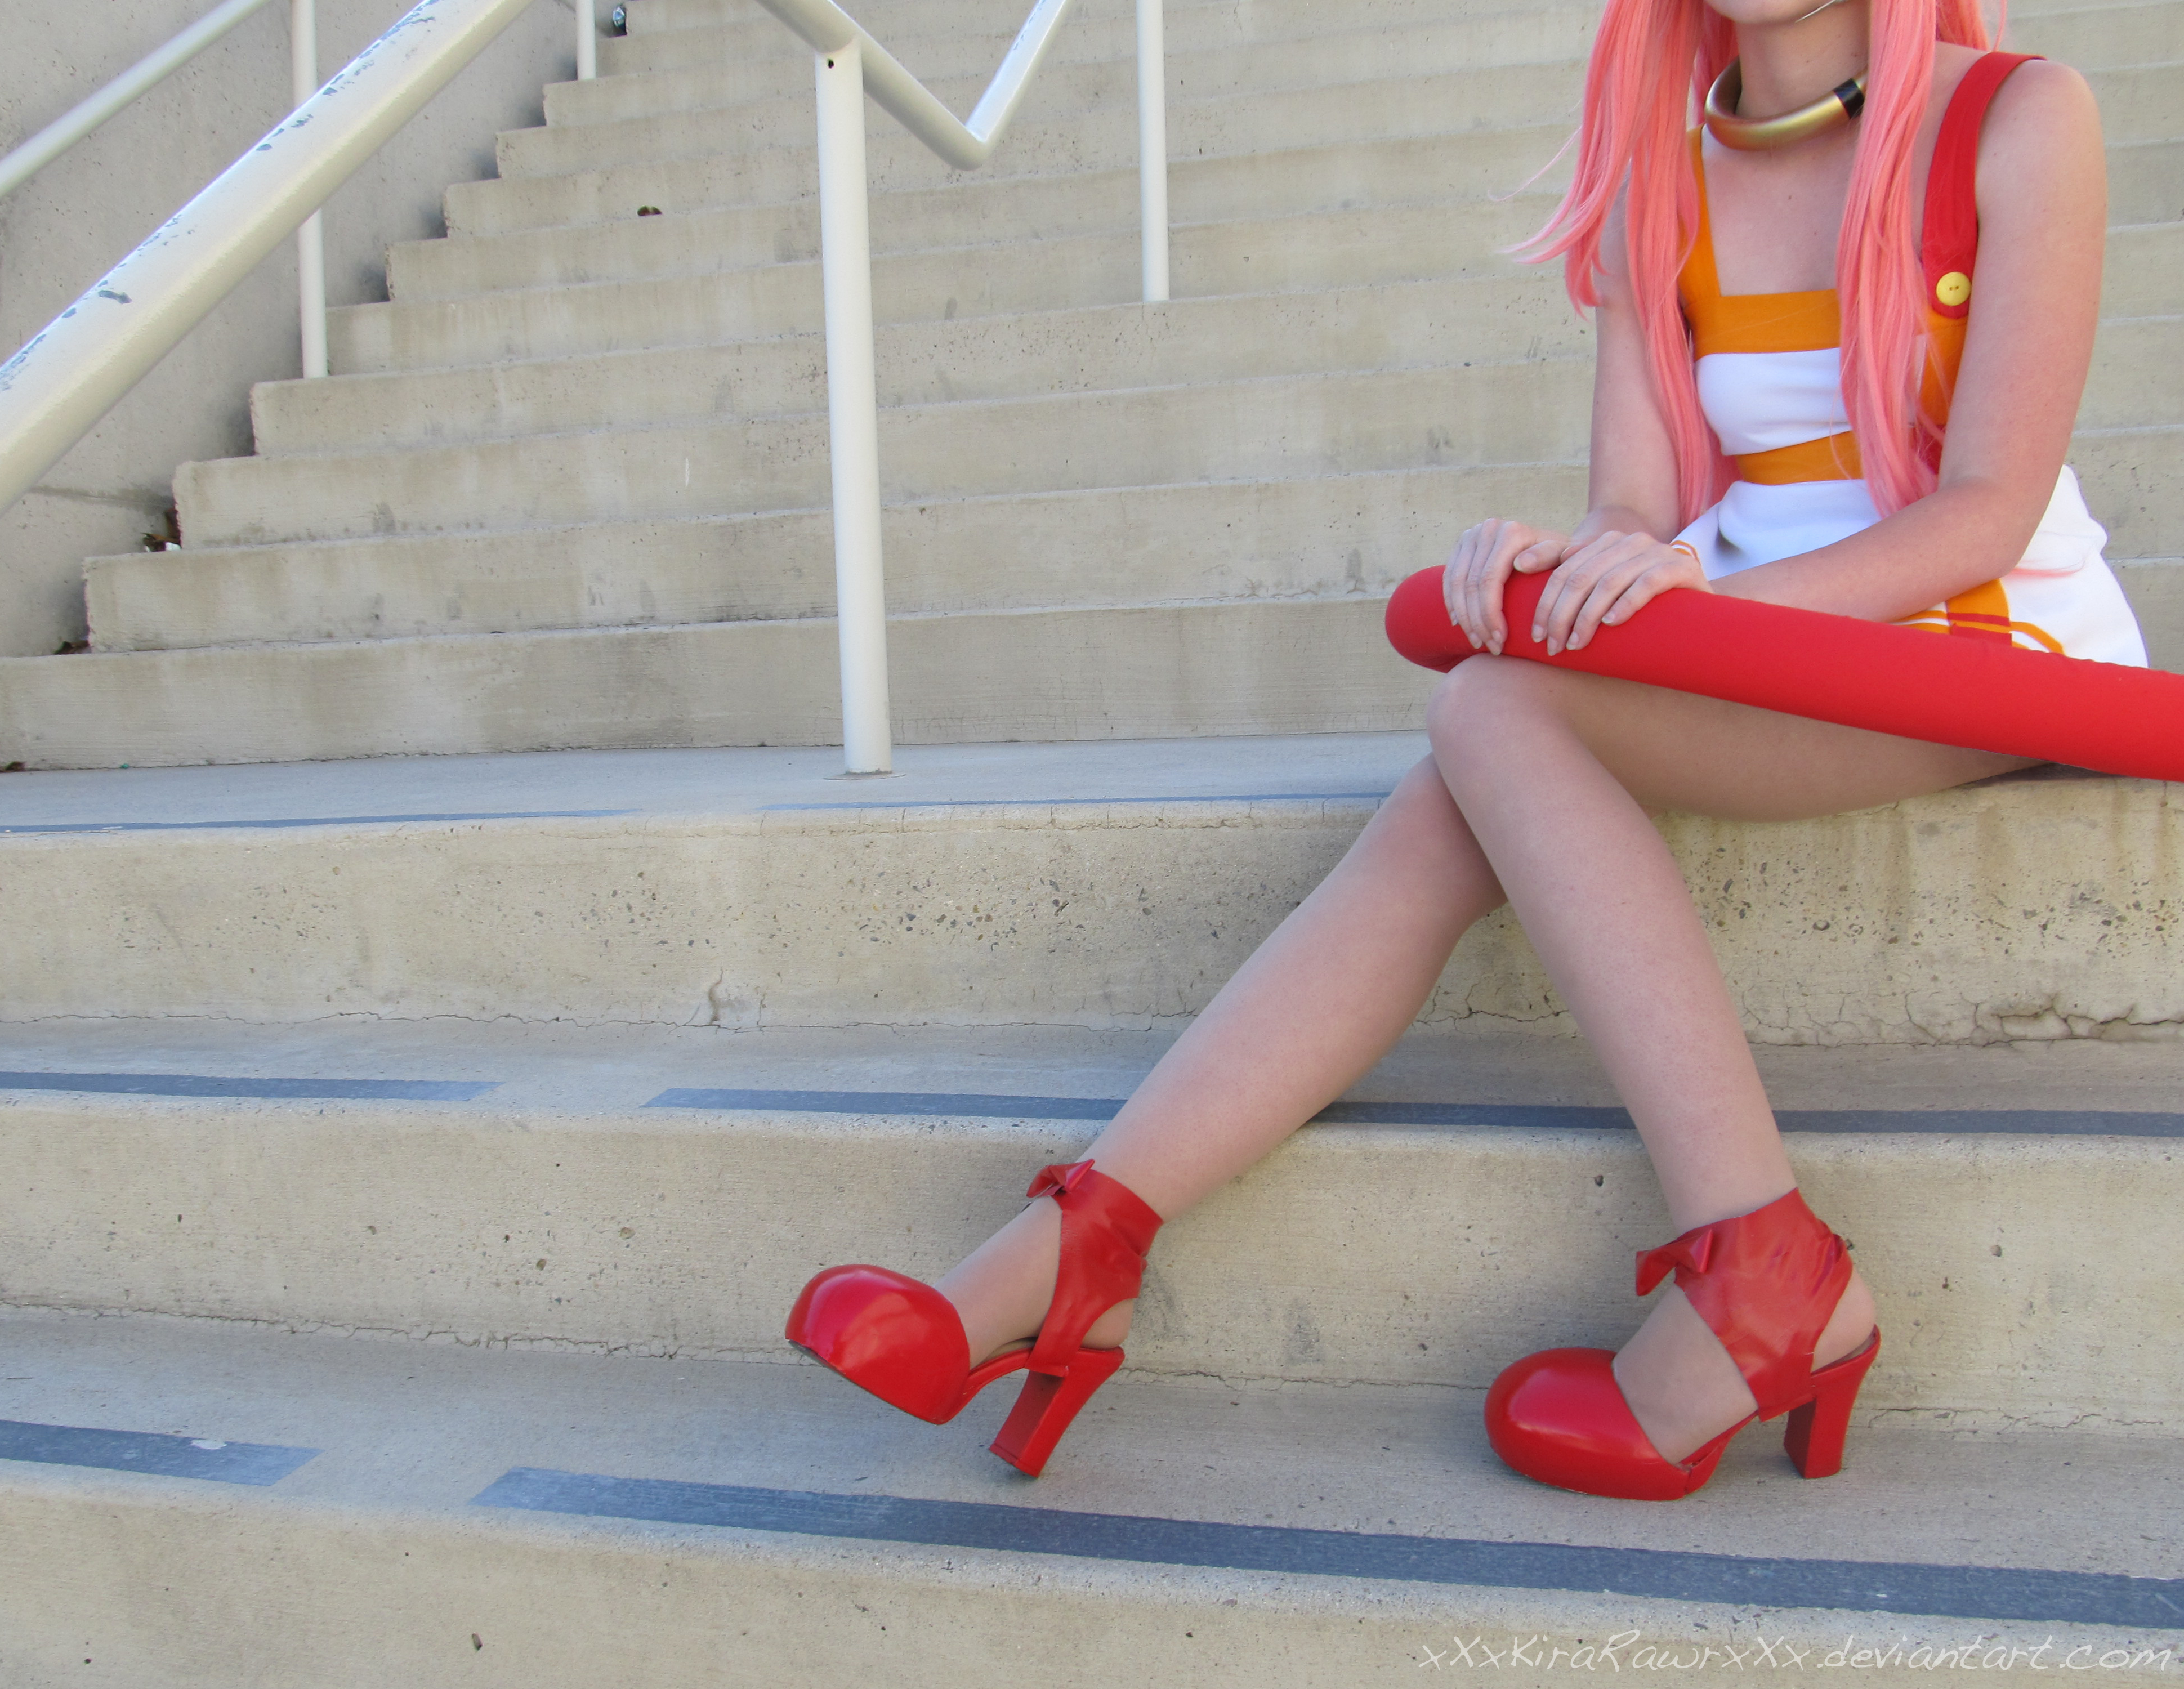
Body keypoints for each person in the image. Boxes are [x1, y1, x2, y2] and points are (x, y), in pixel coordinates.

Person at [786, 0, 2145, 1499]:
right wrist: (1576, 563)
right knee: (1474, 773)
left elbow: (1983, 514)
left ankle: (1767, 1267)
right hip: (1757, 630)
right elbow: (1637, 505)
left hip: (1987, 638)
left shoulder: (2020, 116)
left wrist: (1699, 619)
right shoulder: (1661, 172)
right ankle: (1081, 1245)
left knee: (1496, 714)